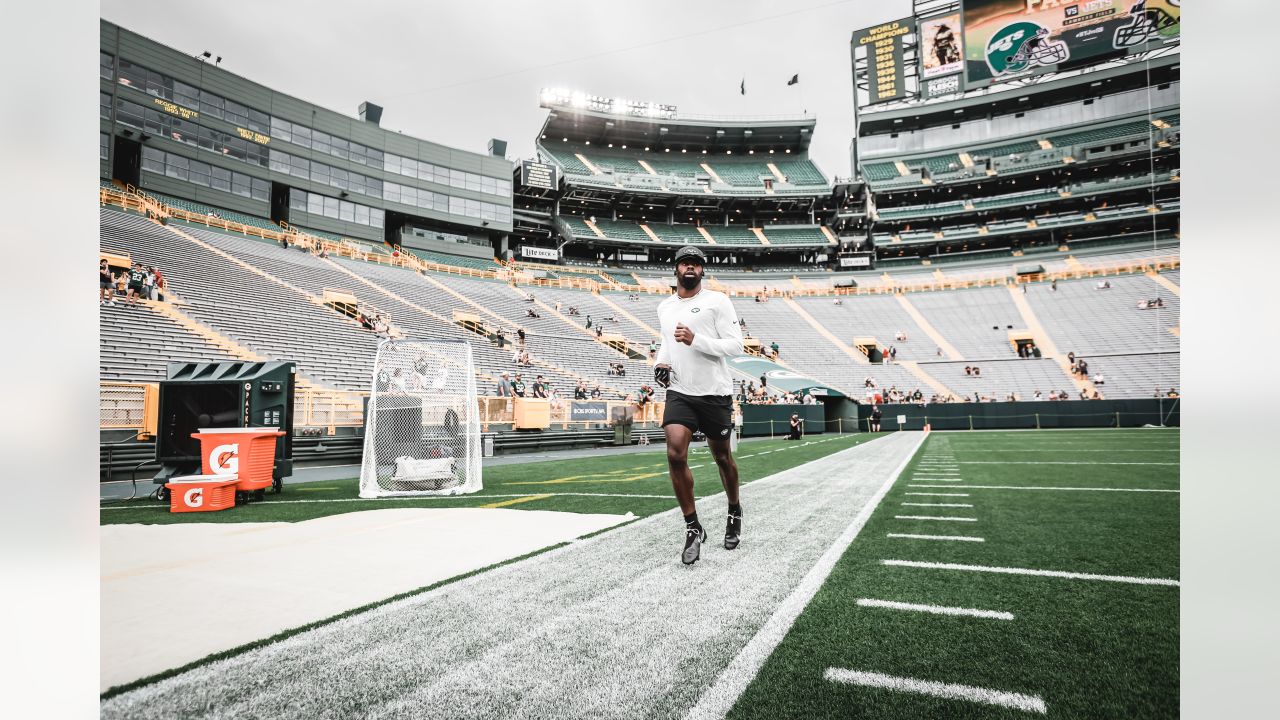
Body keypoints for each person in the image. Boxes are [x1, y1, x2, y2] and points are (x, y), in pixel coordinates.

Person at [653, 245, 745, 565]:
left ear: (702, 271)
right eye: (684, 263)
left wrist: (697, 340)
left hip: (714, 392)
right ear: (675, 270)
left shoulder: (717, 301)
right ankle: (693, 528)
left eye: (695, 264)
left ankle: (734, 509)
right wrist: (661, 363)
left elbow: (736, 346)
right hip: (679, 391)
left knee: (722, 457)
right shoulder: (664, 307)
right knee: (675, 452)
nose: (689, 268)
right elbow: (666, 341)